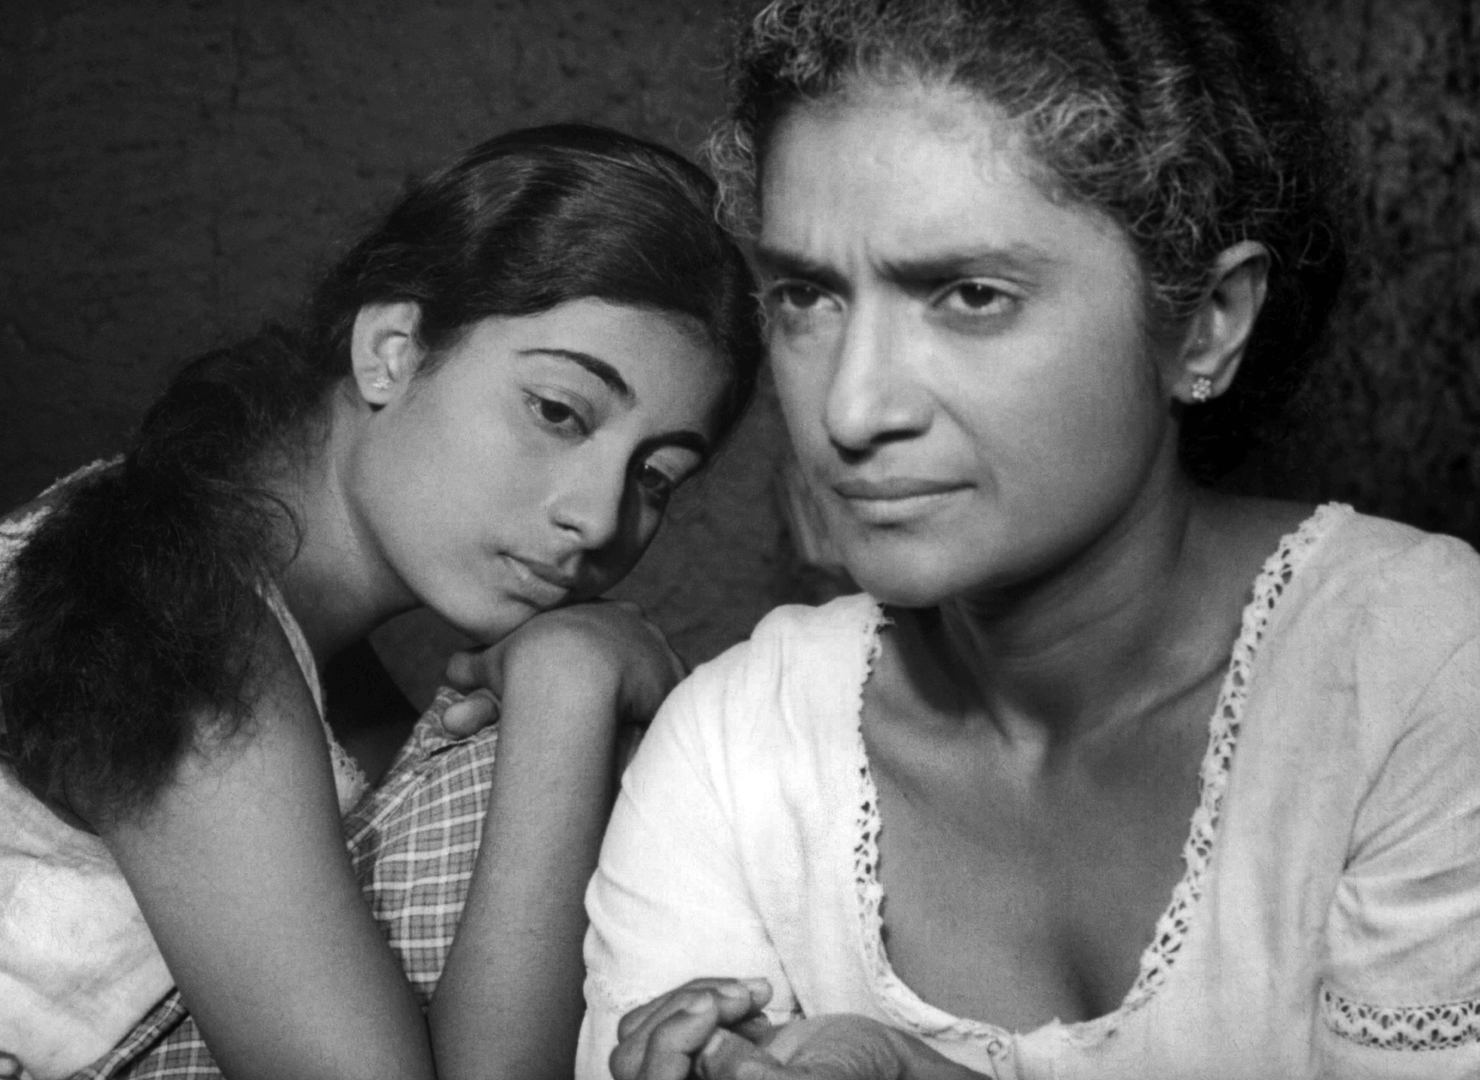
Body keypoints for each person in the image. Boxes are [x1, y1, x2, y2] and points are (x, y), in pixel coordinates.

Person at [576, 2, 1480, 1078]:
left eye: (970, 296)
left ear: (1207, 321)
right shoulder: (736, 752)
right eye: (807, 296)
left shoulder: (1416, 670)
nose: (852, 410)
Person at [0, 122, 760, 1080]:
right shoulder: (168, 598)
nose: (599, 517)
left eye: (657, 477)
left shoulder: (328, 686)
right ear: (392, 351)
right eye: (558, 412)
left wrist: (564, 684)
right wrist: (575, 678)